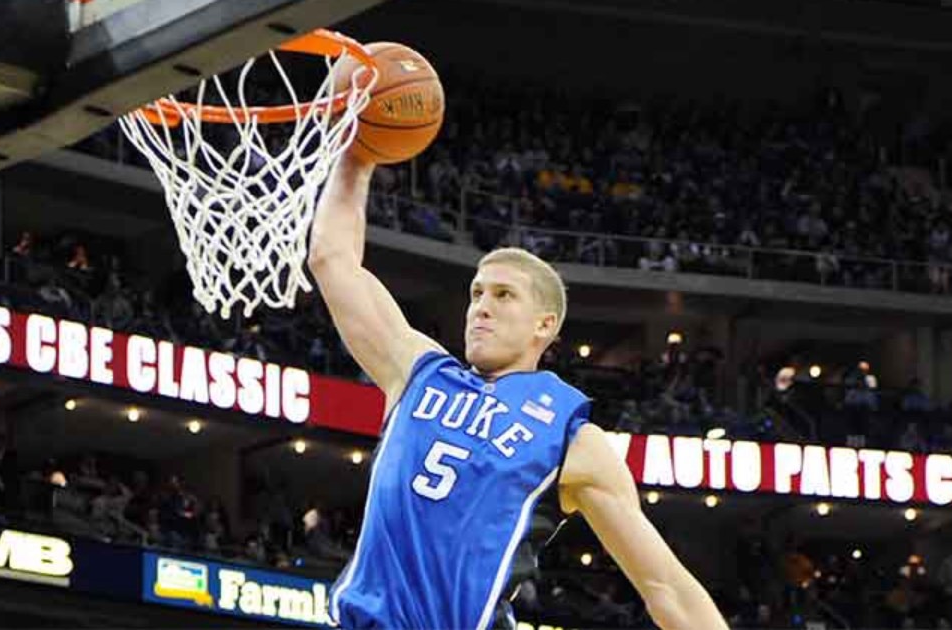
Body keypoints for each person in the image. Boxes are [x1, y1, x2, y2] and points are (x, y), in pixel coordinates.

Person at [309, 152, 725, 630]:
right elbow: (331, 259)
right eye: (477, 294)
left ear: (544, 325)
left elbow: (666, 588)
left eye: (503, 295)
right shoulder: (417, 370)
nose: (481, 308)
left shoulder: (573, 440)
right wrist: (357, 160)